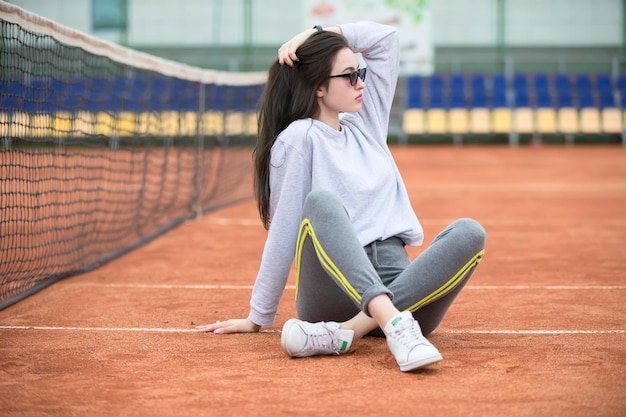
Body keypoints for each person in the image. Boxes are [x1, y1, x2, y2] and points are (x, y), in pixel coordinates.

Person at [196, 22, 486, 372]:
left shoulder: (366, 124)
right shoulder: (299, 138)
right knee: (321, 202)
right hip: (331, 291)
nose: (361, 82)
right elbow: (285, 229)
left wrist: (318, 32)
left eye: (360, 72)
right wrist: (259, 316)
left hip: (399, 290)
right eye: (349, 76)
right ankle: (392, 323)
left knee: (470, 232)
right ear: (319, 86)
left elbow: (387, 40)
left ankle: (352, 330)